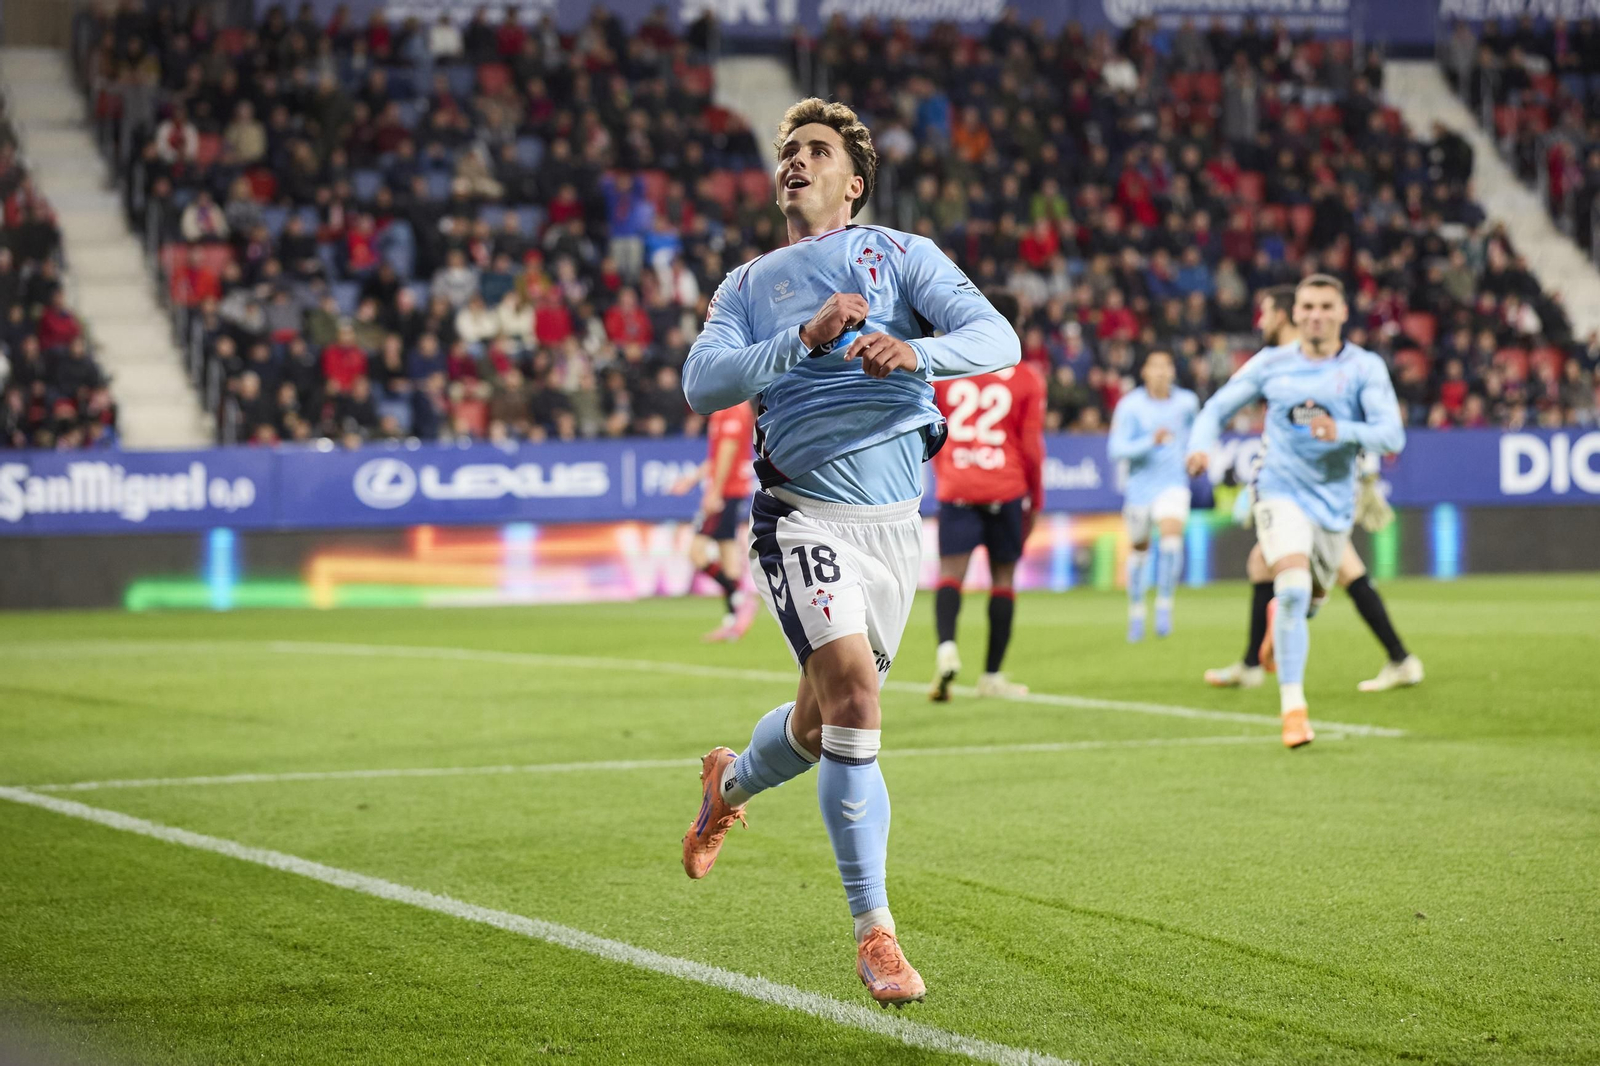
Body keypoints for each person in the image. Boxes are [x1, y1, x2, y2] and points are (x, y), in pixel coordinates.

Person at [677, 98, 1019, 1005]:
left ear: (852, 181)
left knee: (819, 726)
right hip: (801, 517)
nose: (796, 161)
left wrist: (913, 350)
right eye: (787, 150)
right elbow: (699, 381)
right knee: (859, 702)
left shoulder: (906, 257)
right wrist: (802, 338)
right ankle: (876, 934)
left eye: (816, 150)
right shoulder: (748, 285)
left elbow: (999, 340)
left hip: (893, 528)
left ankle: (727, 784)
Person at [1185, 274, 1405, 749]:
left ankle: (1277, 631)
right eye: (1307, 306)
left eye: (1326, 306)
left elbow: (1392, 436)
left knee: (1309, 599)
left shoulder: (1364, 369)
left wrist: (1342, 431)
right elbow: (1216, 408)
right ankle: (1294, 711)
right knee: (1290, 587)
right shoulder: (1271, 364)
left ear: (1343, 312)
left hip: (1333, 504)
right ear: (1296, 313)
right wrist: (1201, 445)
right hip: (1279, 490)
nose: (1316, 315)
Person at [926, 359, 1045, 700]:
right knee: (1004, 579)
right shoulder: (1025, 377)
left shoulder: (949, 372)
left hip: (959, 485)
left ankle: (947, 648)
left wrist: (947, 471)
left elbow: (929, 427)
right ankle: (991, 676)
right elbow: (1032, 445)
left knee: (950, 575)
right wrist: (1035, 499)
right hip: (1005, 487)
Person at [1107, 350, 1199, 641]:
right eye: (1154, 366)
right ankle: (1136, 611)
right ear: (1144, 371)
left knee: (1171, 541)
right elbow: (1116, 450)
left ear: (1173, 371)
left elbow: (1197, 435)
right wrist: (1150, 441)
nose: (1160, 372)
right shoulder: (1130, 406)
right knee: (1139, 551)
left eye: (1166, 366)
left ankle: (1164, 605)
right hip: (1140, 490)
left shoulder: (1187, 403)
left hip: (1173, 483)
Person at [674, 399, 761, 641]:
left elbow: (729, 450)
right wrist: (691, 480)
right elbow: (717, 455)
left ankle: (742, 598)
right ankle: (733, 622)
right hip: (728, 491)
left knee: (696, 553)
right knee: (727, 553)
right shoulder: (723, 410)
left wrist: (715, 491)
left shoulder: (733, 408)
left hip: (727, 492)